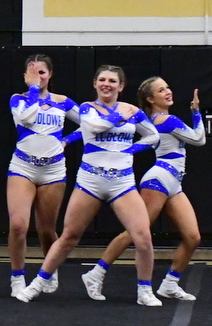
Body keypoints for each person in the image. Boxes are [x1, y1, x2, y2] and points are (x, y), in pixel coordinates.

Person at [15, 65, 161, 305]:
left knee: (143, 236)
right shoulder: (87, 108)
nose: (106, 84)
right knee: (69, 236)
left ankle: (145, 291)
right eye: (102, 80)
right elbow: (94, 127)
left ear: (121, 86)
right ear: (94, 84)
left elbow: (153, 136)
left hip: (122, 181)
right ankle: (37, 284)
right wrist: (118, 116)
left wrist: (131, 149)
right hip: (90, 181)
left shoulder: (132, 111)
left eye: (112, 81)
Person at [84, 79, 204, 302]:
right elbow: (199, 139)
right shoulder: (168, 120)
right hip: (159, 179)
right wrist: (196, 112)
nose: (168, 92)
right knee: (135, 232)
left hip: (173, 181)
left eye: (168, 87)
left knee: (192, 237)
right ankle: (96, 273)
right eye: (161, 90)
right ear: (150, 99)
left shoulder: (154, 120)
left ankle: (170, 284)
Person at [6, 55, 80, 299]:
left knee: (47, 230)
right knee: (18, 225)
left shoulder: (63, 102)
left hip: (53, 170)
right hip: (23, 167)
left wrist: (67, 140)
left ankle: (49, 271)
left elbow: (90, 124)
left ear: (50, 74)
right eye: (33, 73)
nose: (38, 78)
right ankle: (17, 276)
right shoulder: (18, 99)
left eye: (42, 73)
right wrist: (33, 90)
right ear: (25, 76)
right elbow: (26, 118)